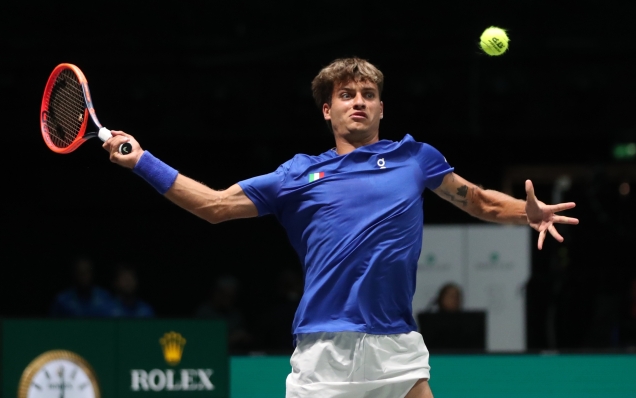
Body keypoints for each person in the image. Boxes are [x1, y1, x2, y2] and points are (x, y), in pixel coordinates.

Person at [102, 57, 579, 398]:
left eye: (369, 95)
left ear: (381, 109)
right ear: (327, 110)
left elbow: (476, 200)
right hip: (325, 350)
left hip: (396, 344)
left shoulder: (414, 158)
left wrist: (526, 212)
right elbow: (214, 205)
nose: (359, 102)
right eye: (346, 94)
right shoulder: (297, 175)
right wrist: (143, 162)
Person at [50, 257, 118, 318]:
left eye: (87, 272)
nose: (84, 276)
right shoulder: (62, 300)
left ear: (92, 273)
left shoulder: (104, 296)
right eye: (80, 272)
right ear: (74, 274)